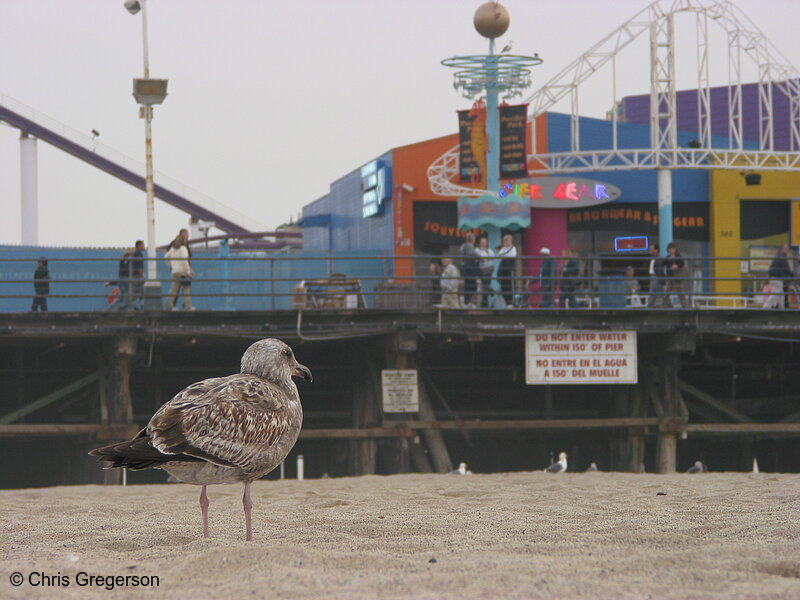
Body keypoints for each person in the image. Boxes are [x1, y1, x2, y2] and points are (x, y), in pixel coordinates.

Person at [165, 230, 195, 310]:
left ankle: (169, 306)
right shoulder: (183, 249)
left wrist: (171, 265)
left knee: (173, 289)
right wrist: (188, 271)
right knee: (186, 289)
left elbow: (166, 257)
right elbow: (185, 261)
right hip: (183, 272)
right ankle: (187, 306)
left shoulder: (173, 248)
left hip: (175, 271)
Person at [763, 244, 794, 309]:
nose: (787, 250)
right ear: (782, 249)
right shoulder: (782, 257)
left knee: (780, 293)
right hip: (777, 277)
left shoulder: (778, 256)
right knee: (777, 292)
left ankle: (781, 308)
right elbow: (786, 267)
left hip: (774, 276)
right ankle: (766, 306)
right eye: (786, 249)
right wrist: (792, 274)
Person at [664, 241, 689, 308]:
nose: (671, 250)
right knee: (666, 293)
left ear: (675, 249)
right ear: (668, 249)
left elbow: (682, 264)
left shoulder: (678, 256)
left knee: (680, 293)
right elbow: (665, 264)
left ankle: (685, 307)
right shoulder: (667, 257)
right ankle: (663, 306)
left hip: (677, 277)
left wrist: (676, 266)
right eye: (670, 249)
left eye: (673, 249)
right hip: (670, 277)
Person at [459, 232, 480, 308]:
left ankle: (466, 301)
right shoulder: (469, 246)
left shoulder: (462, 246)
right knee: (472, 285)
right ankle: (466, 301)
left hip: (465, 267)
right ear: (472, 239)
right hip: (469, 268)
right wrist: (480, 257)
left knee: (468, 284)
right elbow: (473, 254)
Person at [496, 234, 517, 308]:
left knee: (510, 285)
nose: (506, 242)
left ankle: (511, 303)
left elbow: (511, 255)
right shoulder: (503, 249)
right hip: (503, 269)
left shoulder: (513, 248)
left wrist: (503, 256)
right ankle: (507, 303)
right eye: (505, 241)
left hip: (509, 268)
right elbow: (498, 257)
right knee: (503, 286)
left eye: (508, 241)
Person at [475, 236, 496, 308]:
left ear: (487, 243)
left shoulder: (489, 250)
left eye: (485, 242)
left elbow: (493, 257)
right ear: (480, 243)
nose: (483, 243)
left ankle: (485, 303)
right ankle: (490, 289)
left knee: (485, 286)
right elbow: (476, 257)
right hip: (481, 270)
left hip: (488, 269)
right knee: (485, 284)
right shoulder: (477, 250)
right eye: (482, 242)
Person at [130, 239, 145, 310]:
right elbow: (139, 266)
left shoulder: (134, 253)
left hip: (134, 275)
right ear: (139, 246)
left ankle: (140, 305)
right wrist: (142, 276)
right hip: (137, 276)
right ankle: (141, 306)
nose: (144, 246)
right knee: (140, 291)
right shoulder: (138, 253)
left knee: (139, 291)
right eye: (143, 245)